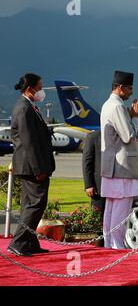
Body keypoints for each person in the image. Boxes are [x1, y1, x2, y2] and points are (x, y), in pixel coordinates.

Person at [7, 73, 55, 257]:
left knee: (29, 205)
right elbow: (29, 142)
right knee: (36, 204)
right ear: (30, 88)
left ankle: (29, 242)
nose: (42, 90)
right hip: (31, 166)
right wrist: (38, 169)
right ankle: (19, 242)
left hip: (29, 165)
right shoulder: (24, 108)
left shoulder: (28, 106)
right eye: (40, 86)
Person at [100, 70, 138, 249]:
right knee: (121, 210)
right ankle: (117, 246)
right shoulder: (117, 107)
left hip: (112, 165)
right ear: (120, 87)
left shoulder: (107, 104)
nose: (131, 92)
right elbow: (128, 136)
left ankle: (110, 244)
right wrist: (135, 118)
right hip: (122, 166)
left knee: (110, 209)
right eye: (129, 88)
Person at [82, 130, 105, 214]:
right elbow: (87, 162)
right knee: (98, 216)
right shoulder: (93, 137)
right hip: (98, 188)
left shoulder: (119, 136)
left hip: (116, 187)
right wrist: (89, 185)